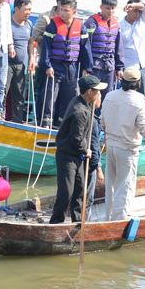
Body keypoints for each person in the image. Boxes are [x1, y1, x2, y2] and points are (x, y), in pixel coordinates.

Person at [100, 68, 145, 221]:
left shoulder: (109, 96)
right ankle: (118, 223)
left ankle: (108, 219)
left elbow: (103, 123)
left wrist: (108, 139)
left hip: (111, 146)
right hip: (127, 149)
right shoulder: (138, 100)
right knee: (125, 189)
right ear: (138, 83)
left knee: (111, 186)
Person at [49, 75, 107, 224]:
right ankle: (56, 222)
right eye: (97, 91)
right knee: (66, 192)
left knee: (80, 191)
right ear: (89, 91)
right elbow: (76, 139)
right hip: (68, 156)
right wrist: (86, 151)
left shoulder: (84, 105)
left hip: (77, 157)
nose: (99, 94)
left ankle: (78, 223)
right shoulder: (79, 110)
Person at [40, 0, 92, 128]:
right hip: (55, 67)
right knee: (50, 97)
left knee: (69, 98)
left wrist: (87, 68)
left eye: (66, 11)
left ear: (73, 12)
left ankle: (64, 125)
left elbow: (86, 49)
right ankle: (47, 124)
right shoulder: (52, 26)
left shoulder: (81, 27)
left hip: (72, 69)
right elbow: (46, 48)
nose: (62, 13)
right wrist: (47, 66)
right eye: (61, 10)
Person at [32, 0, 73, 123]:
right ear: (59, 4)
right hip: (47, 61)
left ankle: (57, 123)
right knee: (44, 94)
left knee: (62, 96)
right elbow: (35, 36)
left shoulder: (71, 21)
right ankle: (40, 121)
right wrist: (52, 38)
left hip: (65, 64)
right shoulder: (45, 17)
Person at [83, 0, 124, 103]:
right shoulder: (91, 22)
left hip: (109, 66)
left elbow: (118, 47)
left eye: (113, 8)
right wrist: (86, 67)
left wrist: (119, 67)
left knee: (107, 95)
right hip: (94, 65)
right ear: (101, 7)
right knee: (92, 94)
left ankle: (102, 118)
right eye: (107, 8)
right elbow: (85, 47)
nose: (110, 11)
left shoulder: (116, 24)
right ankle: (91, 118)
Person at [5, 0, 33, 123]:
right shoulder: (8, 23)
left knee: (19, 95)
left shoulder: (29, 24)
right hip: (6, 63)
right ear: (16, 9)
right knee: (2, 92)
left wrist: (31, 58)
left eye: (30, 10)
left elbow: (30, 43)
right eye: (26, 9)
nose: (28, 12)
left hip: (21, 65)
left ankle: (17, 121)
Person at [119, 0, 145, 95]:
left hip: (141, 67)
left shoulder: (142, 21)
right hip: (127, 68)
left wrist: (135, 5)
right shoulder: (119, 26)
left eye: (139, 11)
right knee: (126, 95)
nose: (137, 14)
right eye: (135, 11)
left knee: (141, 96)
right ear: (128, 10)